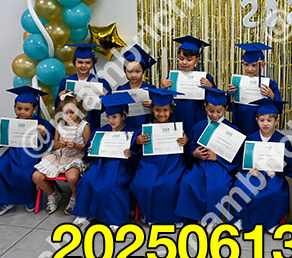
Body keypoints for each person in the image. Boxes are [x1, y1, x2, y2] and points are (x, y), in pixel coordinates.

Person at [175, 87, 241, 231]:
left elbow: (236, 156)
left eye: (219, 111)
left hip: (221, 166)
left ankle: (215, 219)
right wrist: (194, 153)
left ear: (226, 109)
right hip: (200, 164)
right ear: (205, 107)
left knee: (219, 187)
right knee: (189, 182)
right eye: (211, 111)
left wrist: (217, 157)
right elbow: (190, 147)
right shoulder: (198, 127)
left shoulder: (232, 129)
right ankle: (198, 217)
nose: (215, 115)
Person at [0, 86, 55, 216]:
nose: (22, 112)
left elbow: (51, 143)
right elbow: (1, 142)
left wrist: (44, 134)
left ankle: (30, 197)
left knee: (24, 172)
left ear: (34, 110)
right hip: (13, 153)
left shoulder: (42, 124)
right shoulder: (12, 123)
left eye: (26, 109)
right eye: (19, 109)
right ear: (14, 107)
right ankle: (3, 200)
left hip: (33, 154)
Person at [72, 93, 137, 231]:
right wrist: (90, 150)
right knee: (87, 180)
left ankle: (114, 218)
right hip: (101, 165)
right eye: (108, 117)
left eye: (114, 117)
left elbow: (137, 153)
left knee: (112, 184)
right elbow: (88, 153)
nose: (111, 121)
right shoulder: (100, 131)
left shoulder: (131, 132)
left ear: (124, 116)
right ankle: (84, 214)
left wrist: (131, 153)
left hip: (121, 167)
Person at [228, 97, 292, 232]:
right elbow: (244, 160)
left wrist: (276, 171)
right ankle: (240, 219)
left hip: (273, 175)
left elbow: (288, 164)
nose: (265, 124)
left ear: (276, 121)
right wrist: (248, 169)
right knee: (240, 186)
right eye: (262, 120)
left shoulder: (283, 140)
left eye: (269, 120)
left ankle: (271, 222)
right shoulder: (251, 138)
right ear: (256, 120)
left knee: (275, 191)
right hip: (254, 173)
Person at [130, 88, 187, 227]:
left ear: (171, 110)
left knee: (171, 185)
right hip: (150, 164)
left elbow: (184, 150)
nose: (161, 114)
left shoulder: (176, 129)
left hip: (172, 164)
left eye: (165, 110)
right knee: (143, 184)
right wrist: (138, 141)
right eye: (157, 110)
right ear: (152, 110)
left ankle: (174, 219)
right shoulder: (147, 128)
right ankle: (150, 216)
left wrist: (184, 141)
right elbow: (135, 148)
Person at [32, 94, 90, 215]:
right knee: (36, 176)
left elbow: (88, 147)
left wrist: (75, 145)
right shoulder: (60, 126)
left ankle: (75, 196)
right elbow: (54, 145)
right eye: (65, 113)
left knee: (72, 177)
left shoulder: (84, 126)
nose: (68, 116)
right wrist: (59, 144)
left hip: (75, 156)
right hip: (58, 156)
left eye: (72, 112)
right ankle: (53, 194)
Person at [161, 35, 216, 140]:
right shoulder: (173, 78)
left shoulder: (205, 78)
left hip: (197, 116)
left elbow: (214, 101)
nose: (184, 62)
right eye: (181, 59)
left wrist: (210, 87)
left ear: (197, 60)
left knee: (195, 140)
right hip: (177, 116)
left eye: (189, 59)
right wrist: (163, 88)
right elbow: (163, 100)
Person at [226, 42, 281, 136]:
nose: (249, 69)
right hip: (240, 121)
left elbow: (279, 109)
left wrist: (271, 95)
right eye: (246, 65)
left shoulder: (269, 84)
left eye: (254, 65)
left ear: (262, 65)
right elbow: (229, 108)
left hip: (259, 124)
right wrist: (229, 94)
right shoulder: (238, 82)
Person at [56, 44, 112, 130]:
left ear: (93, 63)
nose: (83, 66)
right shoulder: (66, 82)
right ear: (75, 62)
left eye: (88, 62)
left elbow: (107, 108)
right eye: (80, 62)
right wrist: (60, 97)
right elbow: (58, 107)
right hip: (70, 125)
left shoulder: (100, 83)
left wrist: (103, 100)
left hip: (92, 124)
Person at [115, 44, 157, 132]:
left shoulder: (151, 89)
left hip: (146, 128)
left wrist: (153, 104)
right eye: (130, 71)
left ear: (143, 72)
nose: (134, 75)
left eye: (138, 71)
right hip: (125, 129)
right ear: (125, 71)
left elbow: (159, 109)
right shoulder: (121, 89)